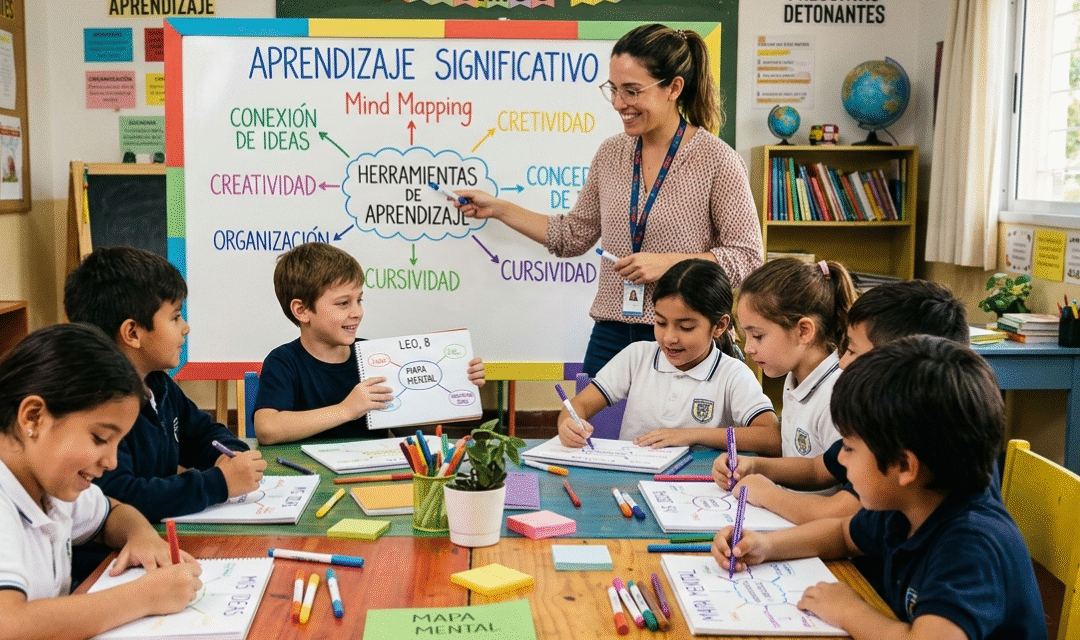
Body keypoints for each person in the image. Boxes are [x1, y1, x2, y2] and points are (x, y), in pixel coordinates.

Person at [453, 23, 763, 376]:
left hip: (684, 336)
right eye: (614, 90)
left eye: (632, 91)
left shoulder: (717, 160)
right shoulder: (611, 153)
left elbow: (748, 257)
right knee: (589, 414)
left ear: (674, 88)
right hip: (611, 333)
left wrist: (668, 264)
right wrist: (498, 208)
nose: (618, 104)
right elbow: (572, 235)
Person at [712, 336, 1045, 640]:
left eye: (850, 448)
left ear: (904, 467)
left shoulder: (970, 545)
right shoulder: (908, 505)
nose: (841, 458)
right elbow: (842, 534)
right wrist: (766, 545)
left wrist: (850, 612)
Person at [0, 323, 202, 640]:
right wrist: (144, 596)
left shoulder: (48, 486)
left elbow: (111, 512)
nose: (111, 462)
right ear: (34, 417)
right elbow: (8, 624)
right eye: (100, 438)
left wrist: (140, 535)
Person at [714, 280, 967, 524]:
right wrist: (755, 465)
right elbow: (819, 469)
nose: (842, 363)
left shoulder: (902, 439)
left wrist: (768, 494)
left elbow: (840, 514)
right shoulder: (885, 420)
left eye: (852, 351)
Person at [63, 246, 266, 524]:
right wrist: (218, 483)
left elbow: (203, 432)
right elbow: (122, 496)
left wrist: (230, 455)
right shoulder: (100, 405)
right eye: (175, 317)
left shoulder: (157, 382)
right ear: (132, 332)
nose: (185, 327)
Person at [253, 242, 486, 445]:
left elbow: (410, 430)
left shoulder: (375, 357)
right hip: (309, 476)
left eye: (359, 300)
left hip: (373, 475)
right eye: (343, 303)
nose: (357, 312)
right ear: (302, 310)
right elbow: (267, 429)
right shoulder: (284, 362)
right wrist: (346, 410)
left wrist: (458, 380)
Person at [558, 259, 780, 453]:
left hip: (697, 483)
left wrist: (691, 435)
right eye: (661, 322)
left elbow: (771, 437)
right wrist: (569, 424)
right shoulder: (637, 356)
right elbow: (579, 406)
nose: (669, 338)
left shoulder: (733, 374)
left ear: (720, 326)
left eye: (686, 327)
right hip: (633, 478)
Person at [728, 258, 856, 479]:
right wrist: (750, 466)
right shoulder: (796, 378)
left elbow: (838, 485)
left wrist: (764, 482)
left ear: (804, 331)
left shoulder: (837, 397)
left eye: (758, 335)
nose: (748, 348)